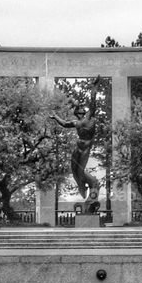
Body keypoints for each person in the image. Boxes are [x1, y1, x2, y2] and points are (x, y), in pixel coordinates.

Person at [50, 76, 102, 213]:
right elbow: (64, 123)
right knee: (74, 170)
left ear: (83, 112)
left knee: (80, 171)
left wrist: (94, 87)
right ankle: (82, 187)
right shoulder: (75, 122)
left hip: (85, 148)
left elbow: (93, 101)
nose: (79, 114)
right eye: (77, 113)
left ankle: (90, 186)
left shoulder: (89, 117)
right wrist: (55, 117)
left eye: (80, 112)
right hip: (78, 148)